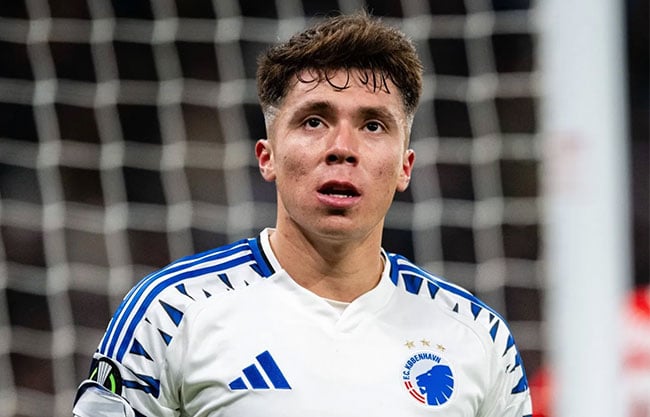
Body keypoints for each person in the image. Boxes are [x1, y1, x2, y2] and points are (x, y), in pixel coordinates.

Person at [72, 11, 532, 417]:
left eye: (373, 125)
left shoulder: (478, 337)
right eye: (314, 121)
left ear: (404, 168)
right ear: (267, 156)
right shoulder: (170, 313)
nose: (342, 148)